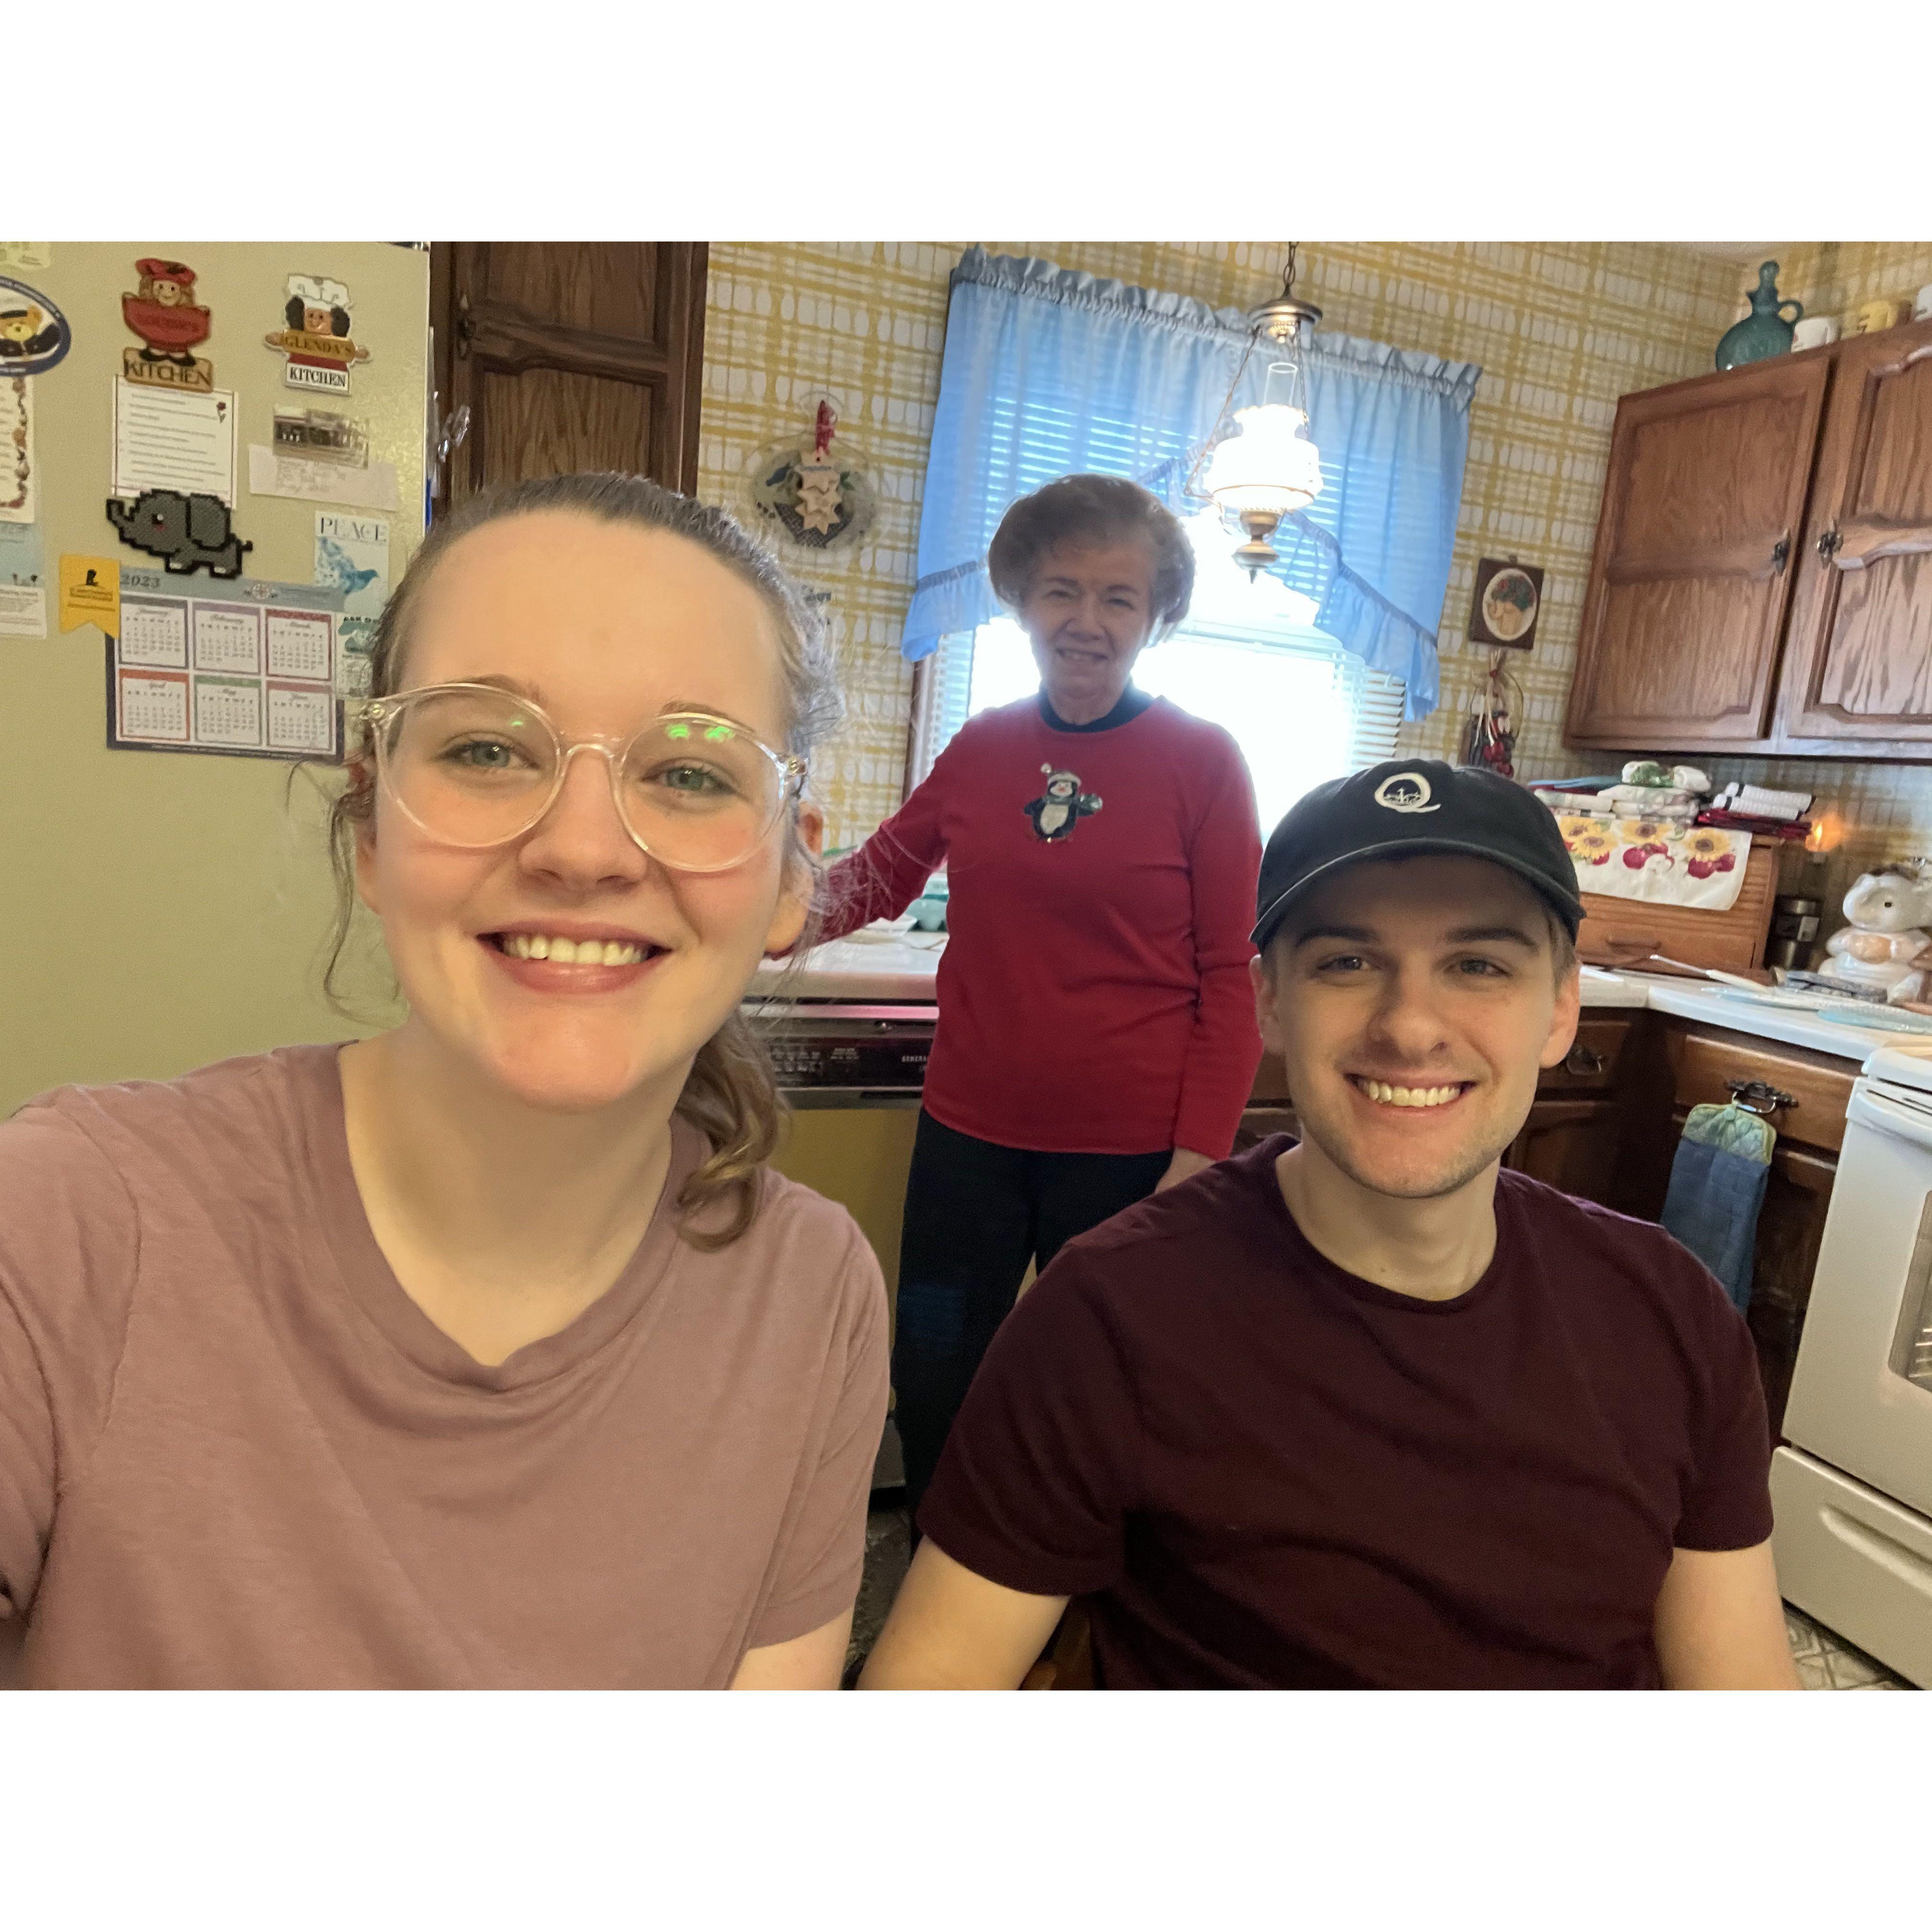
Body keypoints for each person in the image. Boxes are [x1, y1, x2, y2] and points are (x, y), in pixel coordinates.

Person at [0, 473, 888, 1689]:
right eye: (485, 748)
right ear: (372, 832)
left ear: (791, 877)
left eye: (689, 773)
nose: (581, 850)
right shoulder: (65, 1228)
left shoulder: (813, 1291)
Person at [861, 759, 1797, 1689]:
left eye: (1479, 965)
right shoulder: (1110, 1321)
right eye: (1347, 962)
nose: (1410, 1027)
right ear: (1270, 999)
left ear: (1561, 1009)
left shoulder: (1673, 1319)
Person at [814, 474, 1262, 1514]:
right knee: (934, 1365)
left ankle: (1075, 1604)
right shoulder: (983, 747)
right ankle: (939, 1571)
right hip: (970, 1131)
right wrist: (754, 911)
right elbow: (879, 876)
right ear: (1021, 602)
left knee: (1105, 1384)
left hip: (1130, 1154)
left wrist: (1197, 1160)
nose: (1087, 622)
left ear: (1155, 617)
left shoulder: (1205, 762)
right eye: (1062, 591)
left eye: (1118, 598)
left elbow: (1228, 978)